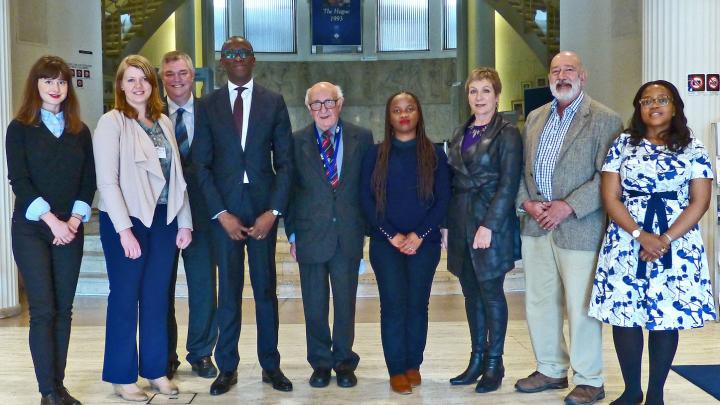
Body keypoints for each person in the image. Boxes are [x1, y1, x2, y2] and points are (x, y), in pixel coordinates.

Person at [588, 80, 716, 405]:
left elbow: (699, 201)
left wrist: (664, 239)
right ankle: (632, 391)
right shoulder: (622, 144)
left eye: (662, 99)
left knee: (665, 314)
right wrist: (640, 235)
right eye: (646, 100)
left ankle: (656, 392)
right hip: (626, 239)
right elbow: (610, 196)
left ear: (674, 107)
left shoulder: (693, 147)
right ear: (638, 109)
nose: (654, 105)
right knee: (625, 315)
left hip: (676, 242)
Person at [514, 51, 622, 405]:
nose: (562, 75)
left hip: (580, 226)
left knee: (580, 306)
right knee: (540, 301)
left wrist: (567, 206)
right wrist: (526, 203)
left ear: (583, 76)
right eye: (556, 70)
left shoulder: (605, 119)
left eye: (569, 69)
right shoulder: (534, 117)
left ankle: (590, 378)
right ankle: (550, 368)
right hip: (536, 225)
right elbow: (522, 170)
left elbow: (607, 176)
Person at [193, 36, 294, 395]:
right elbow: (201, 164)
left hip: (263, 210)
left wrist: (274, 211)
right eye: (231, 54)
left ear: (254, 60)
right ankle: (227, 368)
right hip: (226, 212)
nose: (237, 59)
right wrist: (221, 213)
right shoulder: (207, 105)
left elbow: (285, 163)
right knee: (229, 292)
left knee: (266, 291)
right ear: (222, 61)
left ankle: (271, 365)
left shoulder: (273, 102)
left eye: (244, 53)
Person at [94, 54, 192, 402]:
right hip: (128, 221)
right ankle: (122, 375)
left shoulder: (163, 121)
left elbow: (178, 178)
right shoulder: (112, 123)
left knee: (156, 299)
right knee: (124, 298)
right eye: (130, 79)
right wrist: (123, 230)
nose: (138, 85)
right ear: (120, 84)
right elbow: (107, 182)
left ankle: (155, 370)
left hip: (164, 221)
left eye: (144, 79)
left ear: (153, 84)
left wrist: (185, 222)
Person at [6, 55, 95, 405]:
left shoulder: (79, 130)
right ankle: (47, 391)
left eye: (61, 82)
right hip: (32, 229)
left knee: (64, 309)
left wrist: (73, 220)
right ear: (36, 86)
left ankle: (58, 387)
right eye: (48, 81)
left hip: (69, 228)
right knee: (43, 310)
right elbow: (20, 181)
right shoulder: (20, 128)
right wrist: (52, 221)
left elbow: (88, 181)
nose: (55, 88)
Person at [360, 91, 451, 395]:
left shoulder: (435, 153)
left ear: (418, 113)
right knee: (393, 306)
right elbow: (366, 200)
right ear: (389, 117)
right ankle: (396, 368)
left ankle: (414, 363)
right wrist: (392, 234)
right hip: (386, 245)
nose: (403, 114)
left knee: (418, 306)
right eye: (397, 110)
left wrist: (419, 235)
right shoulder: (375, 154)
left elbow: (442, 201)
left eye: (409, 108)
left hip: (423, 244)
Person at [285, 81, 373, 388]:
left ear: (341, 102)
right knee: (314, 304)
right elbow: (290, 191)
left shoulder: (362, 138)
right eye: (316, 104)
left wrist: (366, 229)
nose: (323, 110)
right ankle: (320, 362)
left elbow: (367, 188)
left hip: (348, 233)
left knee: (346, 303)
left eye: (329, 102)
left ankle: (344, 361)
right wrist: (292, 235)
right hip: (310, 234)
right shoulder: (295, 142)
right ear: (309, 109)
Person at [446, 67, 522, 393]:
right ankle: (476, 359)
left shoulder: (507, 132)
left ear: (497, 95)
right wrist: (447, 226)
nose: (479, 97)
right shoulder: (460, 131)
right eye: (474, 91)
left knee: (491, 293)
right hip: (461, 218)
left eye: (485, 91)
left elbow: (509, 182)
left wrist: (489, 225)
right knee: (470, 293)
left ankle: (494, 362)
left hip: (491, 221)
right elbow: (451, 183)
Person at [160, 50, 218, 380]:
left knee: (203, 288)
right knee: (161, 289)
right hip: (163, 216)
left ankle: (200, 353)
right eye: (170, 74)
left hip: (204, 215)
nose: (177, 80)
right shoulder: (152, 115)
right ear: (162, 78)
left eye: (183, 73)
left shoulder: (211, 111)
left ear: (192, 76)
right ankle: (166, 355)